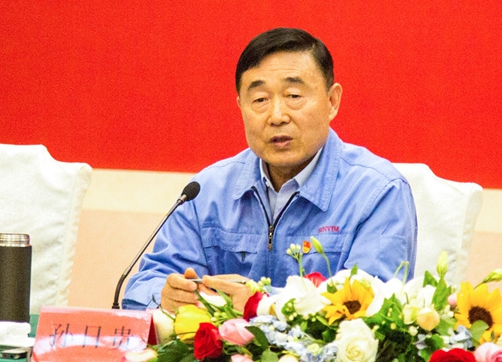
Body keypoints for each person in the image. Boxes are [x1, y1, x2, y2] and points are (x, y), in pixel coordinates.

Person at [122, 28, 418, 312]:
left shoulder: (378, 192)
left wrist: (263, 305)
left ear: (332, 101)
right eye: (260, 100)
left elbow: (374, 306)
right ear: (241, 106)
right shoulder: (206, 191)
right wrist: (166, 296)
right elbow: (143, 287)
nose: (277, 116)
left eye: (294, 96)